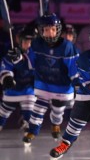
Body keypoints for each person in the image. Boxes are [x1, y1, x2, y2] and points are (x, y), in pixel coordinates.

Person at [49, 23, 90, 160]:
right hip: (89, 90)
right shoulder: (85, 58)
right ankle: (65, 143)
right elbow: (87, 83)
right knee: (77, 117)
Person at [16, 13, 80, 145]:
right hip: (43, 83)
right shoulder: (36, 44)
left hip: (61, 86)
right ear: (40, 31)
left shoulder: (67, 47)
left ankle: (56, 124)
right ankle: (32, 131)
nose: (49, 33)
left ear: (58, 29)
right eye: (45, 30)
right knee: (38, 109)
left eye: (52, 29)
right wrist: (18, 58)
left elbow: (73, 67)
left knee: (57, 110)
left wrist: (77, 83)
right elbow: (30, 64)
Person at [0, 26, 37, 131]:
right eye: (25, 41)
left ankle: (26, 123)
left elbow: (34, 68)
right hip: (12, 91)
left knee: (30, 115)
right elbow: (5, 68)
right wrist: (7, 78)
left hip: (28, 90)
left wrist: (20, 61)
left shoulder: (35, 54)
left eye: (31, 42)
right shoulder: (10, 55)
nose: (28, 45)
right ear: (18, 40)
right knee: (2, 115)